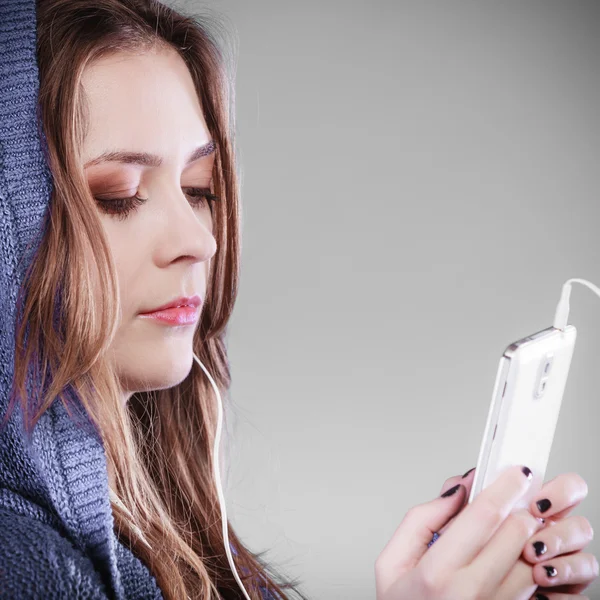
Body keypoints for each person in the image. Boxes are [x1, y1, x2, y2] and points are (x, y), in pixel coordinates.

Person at [0, 0, 596, 599]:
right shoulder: (25, 564)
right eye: (121, 195)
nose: (200, 240)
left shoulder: (165, 533)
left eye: (198, 189)